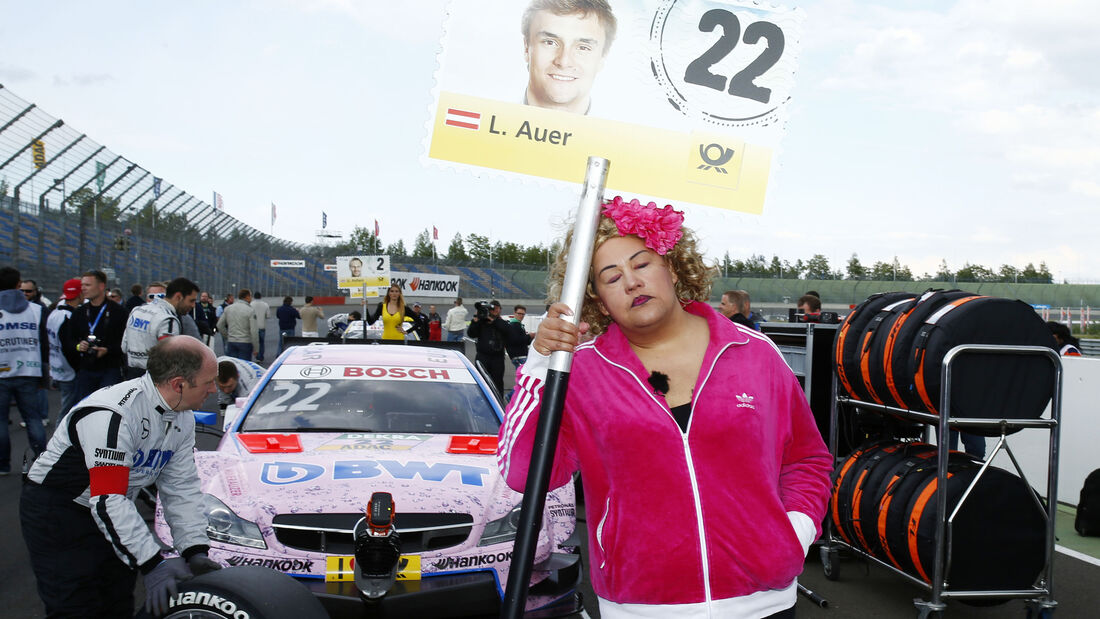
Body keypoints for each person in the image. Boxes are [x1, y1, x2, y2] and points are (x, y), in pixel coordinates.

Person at [498, 197, 832, 618]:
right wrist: (541, 363)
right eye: (611, 277)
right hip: (641, 605)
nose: (631, 282)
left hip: (764, 601)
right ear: (600, 301)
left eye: (642, 265)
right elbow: (524, 472)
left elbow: (807, 457)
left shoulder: (753, 352)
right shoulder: (581, 372)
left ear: (672, 269)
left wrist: (794, 532)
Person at [22, 336, 222, 617]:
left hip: (113, 505)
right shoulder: (113, 413)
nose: (213, 390)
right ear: (179, 383)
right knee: (76, 606)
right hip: (60, 510)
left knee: (116, 600)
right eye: (208, 381)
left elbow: (181, 486)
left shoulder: (182, 417)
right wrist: (153, 564)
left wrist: (194, 548)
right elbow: (108, 499)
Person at [521, 0, 617, 115]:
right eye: (550, 42)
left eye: (583, 48)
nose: (564, 62)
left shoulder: (625, 131)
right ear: (526, 48)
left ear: (603, 57)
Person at [0, 266, 49, 474]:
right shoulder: (36, 309)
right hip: (30, 369)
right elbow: (44, 343)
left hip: (2, 371)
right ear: (19, 285)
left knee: (1, 421)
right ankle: (41, 463)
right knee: (33, 418)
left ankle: (3, 465)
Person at [63, 270, 127, 403]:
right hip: (86, 369)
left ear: (101, 286)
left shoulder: (119, 312)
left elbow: (126, 342)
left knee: (107, 405)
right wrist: (79, 346)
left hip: (110, 368)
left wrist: (108, 350)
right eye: (82, 285)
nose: (83, 288)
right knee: (85, 407)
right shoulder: (79, 313)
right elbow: (68, 341)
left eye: (87, 285)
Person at [122, 277, 200, 378]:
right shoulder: (168, 320)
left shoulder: (137, 310)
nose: (193, 305)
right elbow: (169, 357)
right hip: (155, 377)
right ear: (178, 297)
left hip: (131, 373)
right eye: (191, 300)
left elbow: (124, 346)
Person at [45, 278, 83, 424]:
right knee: (68, 410)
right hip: (68, 369)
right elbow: (69, 347)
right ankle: (58, 441)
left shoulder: (54, 313)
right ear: (79, 294)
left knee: (67, 406)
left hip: (56, 367)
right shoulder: (68, 316)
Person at [467, 299, 509, 394]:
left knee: (497, 382)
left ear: (499, 310)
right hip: (482, 356)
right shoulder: (480, 322)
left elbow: (507, 330)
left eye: (496, 309)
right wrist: (476, 320)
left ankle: (498, 403)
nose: (494, 311)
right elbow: (471, 334)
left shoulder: (500, 322)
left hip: (497, 358)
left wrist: (493, 320)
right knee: (481, 380)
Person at [217, 288, 259, 361]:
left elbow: (219, 325)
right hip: (245, 342)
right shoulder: (250, 310)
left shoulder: (228, 308)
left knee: (233, 366)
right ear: (247, 297)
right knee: (244, 367)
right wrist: (256, 348)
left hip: (231, 342)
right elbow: (254, 331)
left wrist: (227, 336)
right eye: (250, 296)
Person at [506, 304, 533, 369]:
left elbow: (524, 341)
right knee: (524, 375)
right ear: (514, 313)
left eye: (523, 314)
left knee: (521, 375)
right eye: (519, 313)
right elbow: (516, 340)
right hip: (519, 355)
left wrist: (530, 338)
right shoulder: (514, 325)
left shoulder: (518, 324)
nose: (521, 316)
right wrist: (529, 336)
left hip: (518, 355)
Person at [252, 291, 270, 363]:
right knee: (261, 343)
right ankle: (260, 357)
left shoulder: (250, 304)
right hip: (262, 326)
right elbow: (268, 316)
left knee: (254, 342)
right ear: (260, 297)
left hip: (253, 326)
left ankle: (255, 356)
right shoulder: (265, 305)